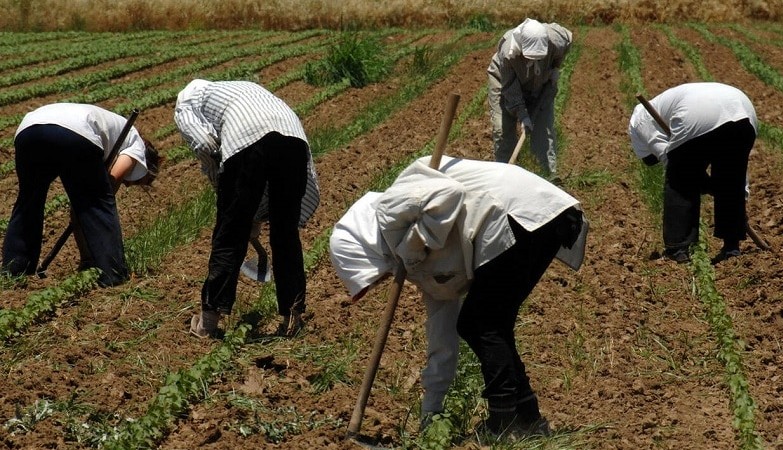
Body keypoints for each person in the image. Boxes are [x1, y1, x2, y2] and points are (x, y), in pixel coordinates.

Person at [329, 156, 588, 437]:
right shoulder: (416, 263)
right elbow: (443, 337)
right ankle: (527, 416)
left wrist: (412, 249)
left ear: (365, 252)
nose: (383, 281)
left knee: (482, 323)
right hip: (535, 221)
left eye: (375, 277)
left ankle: (505, 423)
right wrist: (431, 410)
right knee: (487, 323)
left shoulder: (391, 211)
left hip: (522, 213)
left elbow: (447, 193)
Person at [174, 79, 320, 338]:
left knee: (230, 233)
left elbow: (206, 145)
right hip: (293, 136)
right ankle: (293, 317)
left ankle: (208, 323)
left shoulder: (186, 102)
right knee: (285, 234)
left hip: (248, 136)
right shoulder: (237, 89)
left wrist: (225, 194)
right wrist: (252, 213)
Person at [2, 103, 160, 287]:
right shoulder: (135, 143)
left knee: (29, 201)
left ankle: (15, 270)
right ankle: (112, 274)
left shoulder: (117, 127)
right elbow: (111, 181)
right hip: (76, 132)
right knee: (98, 204)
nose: (129, 184)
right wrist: (92, 204)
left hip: (29, 129)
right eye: (137, 181)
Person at [628, 82, 757, 263]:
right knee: (730, 179)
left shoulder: (639, 119)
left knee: (680, 180)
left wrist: (700, 180)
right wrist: (735, 194)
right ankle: (731, 246)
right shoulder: (661, 106)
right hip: (743, 110)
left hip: (698, 113)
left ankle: (677, 248)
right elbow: (737, 176)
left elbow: (669, 159)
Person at [488, 18, 572, 179]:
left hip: (541, 82)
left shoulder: (557, 38)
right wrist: (523, 114)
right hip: (504, 82)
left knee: (543, 129)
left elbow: (568, 42)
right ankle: (505, 177)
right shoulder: (508, 53)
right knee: (502, 129)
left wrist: (555, 66)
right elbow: (510, 89)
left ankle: (548, 177)